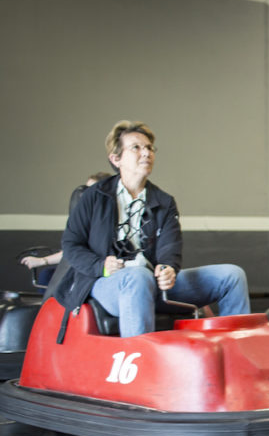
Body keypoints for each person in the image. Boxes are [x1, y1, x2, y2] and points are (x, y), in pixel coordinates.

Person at [54, 121, 249, 338]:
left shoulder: (164, 202)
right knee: (137, 277)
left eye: (149, 148)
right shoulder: (94, 196)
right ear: (116, 158)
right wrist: (101, 266)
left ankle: (237, 357)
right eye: (136, 147)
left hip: (152, 282)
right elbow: (71, 245)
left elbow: (170, 247)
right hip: (105, 282)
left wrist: (168, 268)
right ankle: (140, 364)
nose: (146, 152)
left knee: (232, 275)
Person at [20, 174, 106, 286]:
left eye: (90, 189)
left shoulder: (101, 222)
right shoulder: (81, 218)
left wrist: (42, 261)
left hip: (92, 269)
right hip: (79, 266)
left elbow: (76, 253)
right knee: (46, 275)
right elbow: (71, 250)